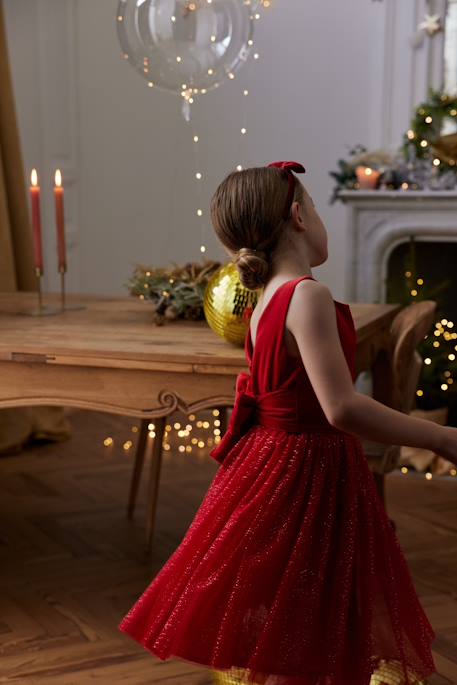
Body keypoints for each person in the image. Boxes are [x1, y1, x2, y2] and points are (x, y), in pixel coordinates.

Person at [118, 161, 457, 685]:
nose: (319, 218)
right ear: (298, 216)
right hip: (308, 469)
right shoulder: (307, 295)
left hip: (269, 461)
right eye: (317, 208)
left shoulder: (262, 302)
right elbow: (340, 407)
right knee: (312, 605)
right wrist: (439, 435)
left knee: (289, 607)